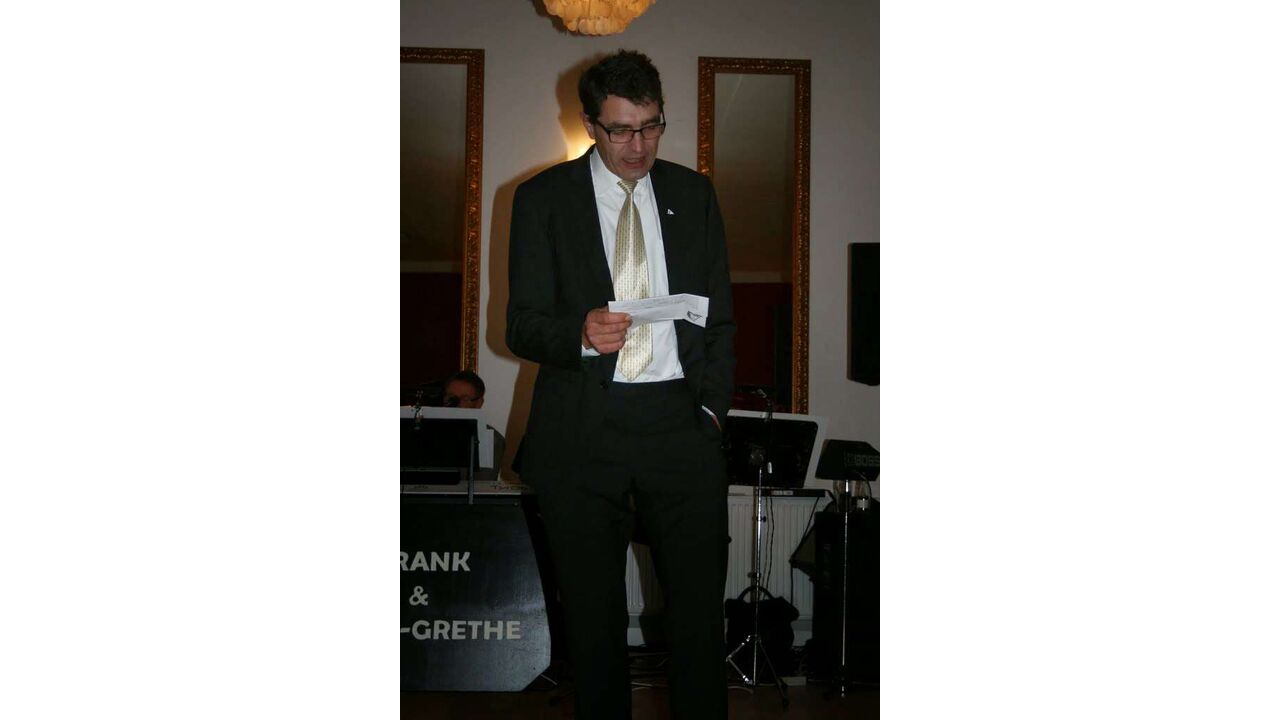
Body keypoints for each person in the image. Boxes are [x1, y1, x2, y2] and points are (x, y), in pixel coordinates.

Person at [506, 50, 735, 720]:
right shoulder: (542, 199)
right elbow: (520, 324)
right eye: (621, 130)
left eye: (651, 126)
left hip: (679, 425)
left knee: (699, 621)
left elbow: (721, 316)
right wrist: (577, 334)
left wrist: (711, 413)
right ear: (589, 125)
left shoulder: (694, 194)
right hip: (583, 429)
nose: (638, 146)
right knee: (592, 623)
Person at [443, 370, 505, 484]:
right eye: (451, 397)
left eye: (465, 399)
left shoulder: (491, 439)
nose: (456, 404)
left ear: (478, 403)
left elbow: (482, 486)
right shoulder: (427, 430)